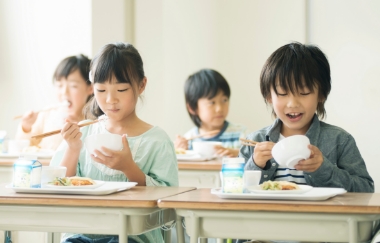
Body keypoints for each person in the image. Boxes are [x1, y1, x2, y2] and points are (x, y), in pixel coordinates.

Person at [50, 42, 178, 243]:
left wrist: (129, 168)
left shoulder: (157, 141)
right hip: (81, 234)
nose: (110, 99)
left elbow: (168, 207)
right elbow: (57, 183)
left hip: (133, 237)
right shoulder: (84, 130)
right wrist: (73, 149)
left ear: (141, 85)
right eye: (101, 90)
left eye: (121, 89)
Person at [240, 42, 374, 193]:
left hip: (321, 217)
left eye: (304, 93)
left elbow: (365, 191)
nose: (292, 103)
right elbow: (235, 190)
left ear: (321, 94)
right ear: (269, 96)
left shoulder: (340, 140)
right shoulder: (255, 141)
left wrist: (323, 169)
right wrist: (256, 165)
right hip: (270, 217)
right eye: (283, 93)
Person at [16, 54, 93, 150]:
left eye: (73, 86)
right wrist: (26, 127)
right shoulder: (47, 114)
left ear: (90, 88)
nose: (64, 92)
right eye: (60, 85)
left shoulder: (93, 120)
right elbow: (24, 147)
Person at [174, 69, 246, 157]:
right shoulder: (189, 141)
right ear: (192, 108)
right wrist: (179, 152)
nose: (219, 109)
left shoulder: (242, 135)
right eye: (212, 102)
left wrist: (238, 154)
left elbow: (254, 161)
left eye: (224, 100)